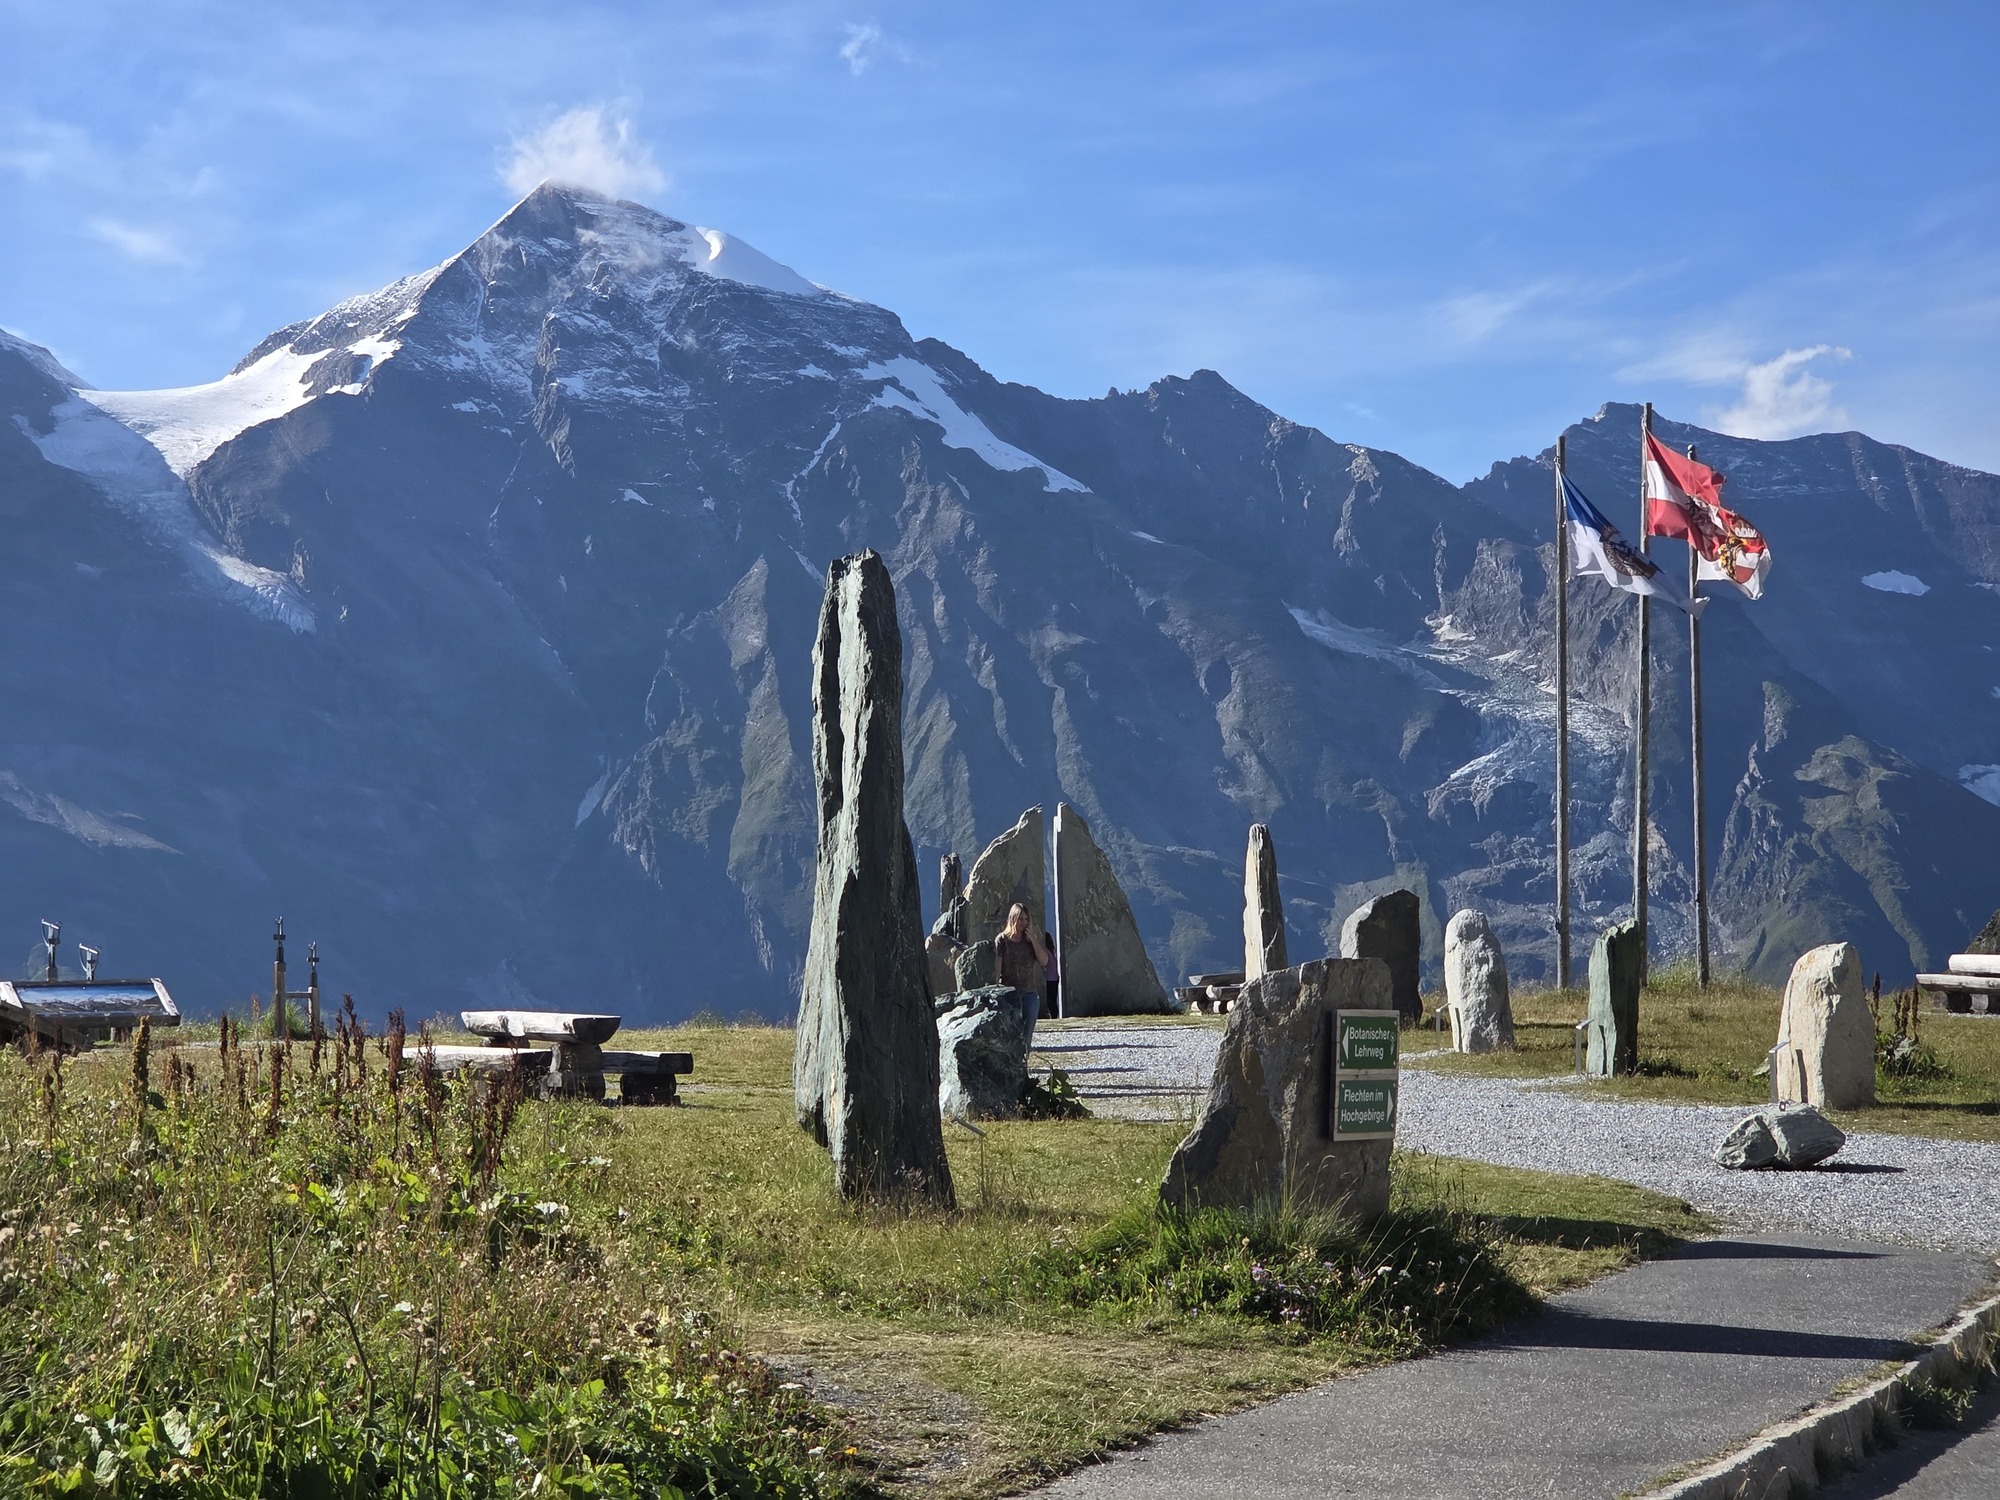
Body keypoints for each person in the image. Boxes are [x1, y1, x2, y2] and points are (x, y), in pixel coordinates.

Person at [994, 903, 1047, 1006]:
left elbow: (1044, 961)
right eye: (1020, 919)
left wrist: (1032, 939)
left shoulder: (1030, 940)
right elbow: (997, 966)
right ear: (1013, 919)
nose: (1024, 922)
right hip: (1008, 993)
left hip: (1029, 993)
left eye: (1026, 919)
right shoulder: (1002, 939)